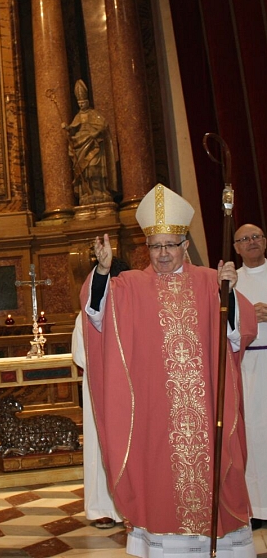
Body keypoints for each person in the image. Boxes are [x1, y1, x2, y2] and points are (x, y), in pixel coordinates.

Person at [81, 183, 258, 557]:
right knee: (161, 482)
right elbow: (97, 315)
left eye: (170, 246)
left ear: (185, 246)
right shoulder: (129, 285)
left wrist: (229, 294)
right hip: (156, 415)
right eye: (155, 246)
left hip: (208, 410)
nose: (162, 254)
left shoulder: (212, 281)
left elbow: (237, 333)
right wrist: (102, 270)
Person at [71, 258, 129, 530]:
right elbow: (81, 356)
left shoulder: (133, 309)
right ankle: (101, 507)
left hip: (131, 390)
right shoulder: (86, 312)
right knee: (100, 447)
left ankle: (131, 506)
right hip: (100, 387)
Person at [233, 223, 267, 531]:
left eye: (256, 237)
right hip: (246, 365)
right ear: (236, 247)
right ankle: (256, 507)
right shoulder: (233, 282)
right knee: (253, 437)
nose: (251, 242)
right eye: (244, 239)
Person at [66, 79, 117, 205]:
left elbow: (103, 125)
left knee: (95, 168)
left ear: (87, 101)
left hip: (93, 145)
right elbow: (73, 127)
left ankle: (100, 191)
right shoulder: (78, 116)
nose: (82, 104)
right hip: (81, 145)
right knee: (85, 171)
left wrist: (95, 132)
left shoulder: (94, 114)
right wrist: (68, 128)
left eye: (83, 102)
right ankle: (87, 193)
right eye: (80, 102)